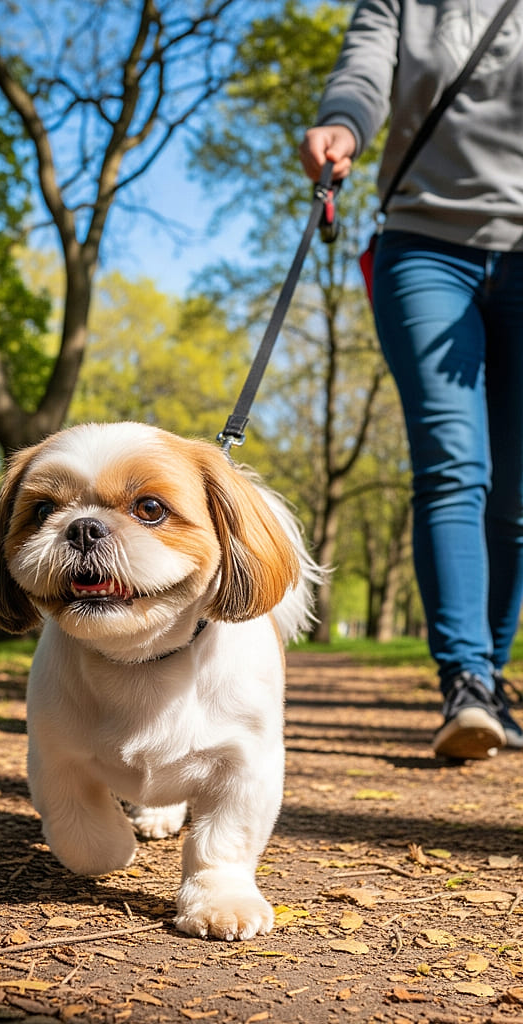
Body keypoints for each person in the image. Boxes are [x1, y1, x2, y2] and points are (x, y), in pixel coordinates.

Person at [299, 0, 523, 758]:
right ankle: (464, 678)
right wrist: (342, 122)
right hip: (425, 247)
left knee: (517, 491)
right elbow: (364, 71)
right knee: (456, 461)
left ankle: (490, 676)